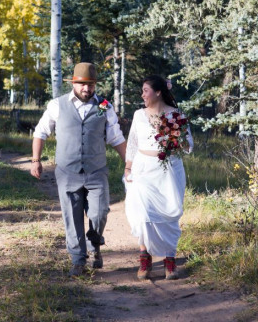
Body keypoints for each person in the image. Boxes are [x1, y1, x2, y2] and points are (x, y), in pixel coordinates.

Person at [30, 62, 127, 278]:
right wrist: (35, 160)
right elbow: (40, 132)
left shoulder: (104, 106)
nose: (86, 89)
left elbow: (116, 137)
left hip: (96, 170)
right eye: (82, 84)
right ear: (73, 83)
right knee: (72, 216)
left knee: (100, 212)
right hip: (67, 171)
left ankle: (95, 245)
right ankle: (78, 260)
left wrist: (130, 164)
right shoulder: (58, 105)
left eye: (90, 85)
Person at [123, 75, 193, 280]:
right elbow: (133, 142)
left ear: (158, 92)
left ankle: (170, 260)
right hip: (143, 169)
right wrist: (128, 168)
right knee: (142, 214)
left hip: (169, 169)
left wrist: (177, 137)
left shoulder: (176, 114)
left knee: (169, 215)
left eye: (145, 90)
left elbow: (188, 145)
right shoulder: (138, 115)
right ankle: (144, 257)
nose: (142, 94)